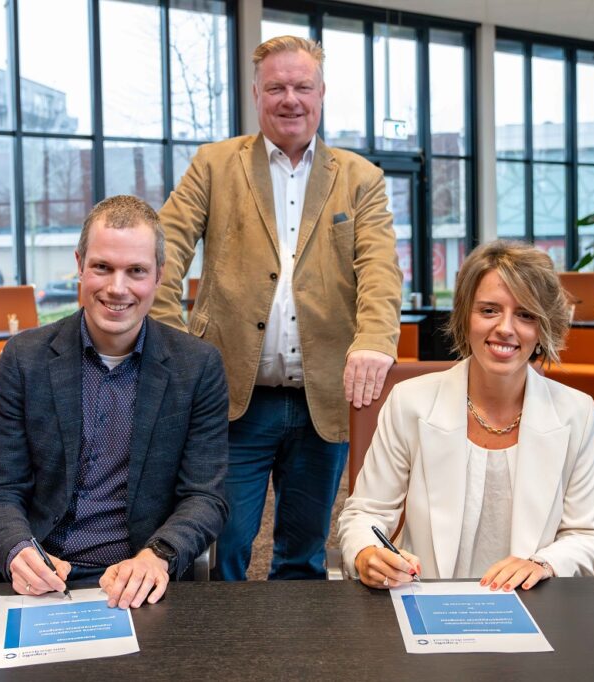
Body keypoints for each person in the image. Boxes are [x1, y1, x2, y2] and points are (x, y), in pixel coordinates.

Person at [152, 36, 402, 581]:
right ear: (257, 94)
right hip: (232, 400)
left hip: (323, 399)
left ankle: (299, 658)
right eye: (277, 87)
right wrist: (177, 350)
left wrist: (375, 341)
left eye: (302, 86)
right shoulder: (214, 166)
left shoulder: (361, 179)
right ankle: (224, 661)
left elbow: (381, 271)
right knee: (223, 548)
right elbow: (163, 255)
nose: (290, 98)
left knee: (305, 551)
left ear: (321, 93)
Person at [0, 195, 229, 610]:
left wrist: (157, 556)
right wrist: (17, 549)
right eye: (102, 267)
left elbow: (205, 497)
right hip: (33, 576)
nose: (116, 288)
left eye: (136, 271)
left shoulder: (197, 367)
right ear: (80, 265)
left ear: (159, 276)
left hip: (132, 580)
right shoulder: (23, 358)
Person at [338, 240, 594, 590]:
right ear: (465, 317)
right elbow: (366, 513)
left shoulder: (577, 413)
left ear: (543, 329)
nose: (505, 328)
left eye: (526, 314)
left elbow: (589, 533)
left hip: (531, 606)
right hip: (425, 600)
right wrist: (367, 553)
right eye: (489, 310)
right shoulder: (409, 402)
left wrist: (544, 563)